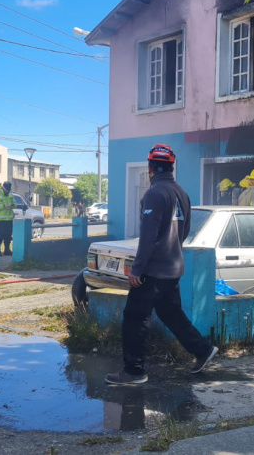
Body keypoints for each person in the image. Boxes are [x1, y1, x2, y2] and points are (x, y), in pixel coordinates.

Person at [105, 144, 218, 385]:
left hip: (153, 271)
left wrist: (137, 269)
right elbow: (185, 230)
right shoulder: (182, 193)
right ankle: (203, 351)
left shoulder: (154, 194)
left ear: (150, 168)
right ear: (171, 167)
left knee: (135, 317)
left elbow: (148, 236)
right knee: (170, 313)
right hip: (173, 268)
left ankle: (134, 371)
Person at [0, 181, 16, 256]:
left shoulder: (10, 195)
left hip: (9, 219)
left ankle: (7, 250)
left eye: (9, 189)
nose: (7, 191)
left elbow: (15, 203)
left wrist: (13, 205)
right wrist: (4, 206)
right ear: (3, 187)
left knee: (8, 235)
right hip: (0, 220)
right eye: (6, 189)